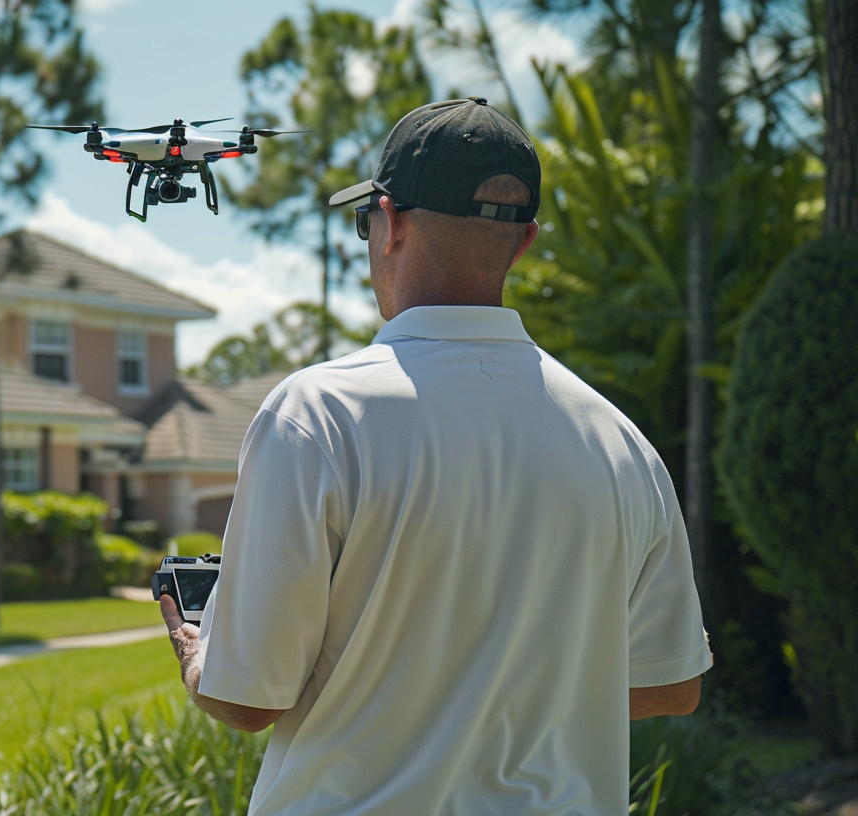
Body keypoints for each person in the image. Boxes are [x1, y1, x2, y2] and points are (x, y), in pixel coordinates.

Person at [159, 97, 713, 816]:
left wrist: (199, 655)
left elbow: (246, 700)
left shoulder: (318, 417)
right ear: (524, 242)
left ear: (387, 223)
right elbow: (672, 685)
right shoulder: (620, 442)